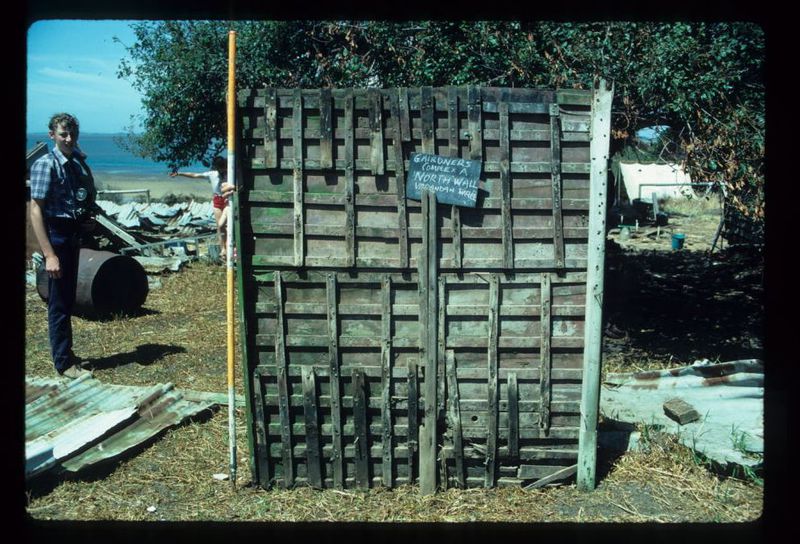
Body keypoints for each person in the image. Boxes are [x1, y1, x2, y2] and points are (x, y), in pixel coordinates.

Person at [29, 113, 98, 379]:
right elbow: (36, 210)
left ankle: (66, 354)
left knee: (67, 298)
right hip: (55, 236)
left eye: (72, 134)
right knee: (58, 302)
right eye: (63, 134)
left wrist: (84, 223)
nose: (69, 139)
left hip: (70, 234)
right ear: (52, 135)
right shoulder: (46, 165)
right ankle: (63, 364)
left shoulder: (72, 164)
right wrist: (49, 254)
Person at [169, 157, 236, 261]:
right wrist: (179, 174)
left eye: (223, 167)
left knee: (230, 224)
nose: (222, 169)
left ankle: (230, 246)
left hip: (228, 198)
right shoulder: (212, 174)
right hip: (218, 199)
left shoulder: (230, 173)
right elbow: (195, 175)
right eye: (220, 167)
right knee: (220, 226)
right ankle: (223, 248)